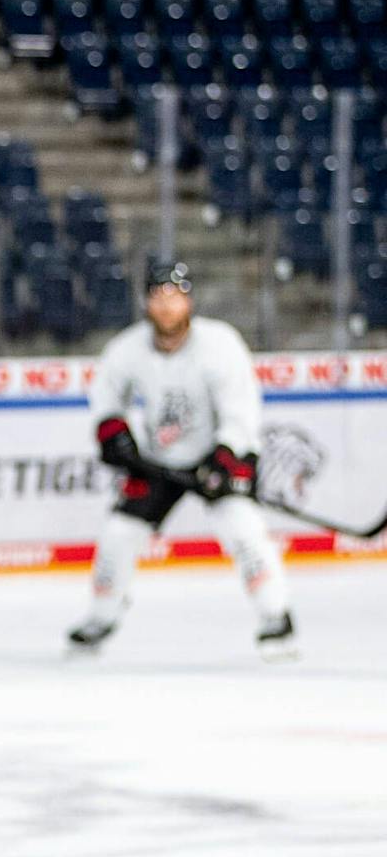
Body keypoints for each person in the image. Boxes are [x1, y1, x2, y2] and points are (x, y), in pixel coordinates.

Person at [69, 260, 295, 658]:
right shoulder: (128, 348)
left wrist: (225, 455)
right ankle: (101, 616)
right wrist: (111, 430)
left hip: (217, 459)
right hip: (159, 462)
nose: (167, 306)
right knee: (119, 536)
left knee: (243, 530)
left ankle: (276, 616)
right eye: (159, 297)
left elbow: (241, 409)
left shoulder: (219, 344)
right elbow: (105, 396)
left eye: (174, 297)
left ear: (188, 301)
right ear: (147, 303)